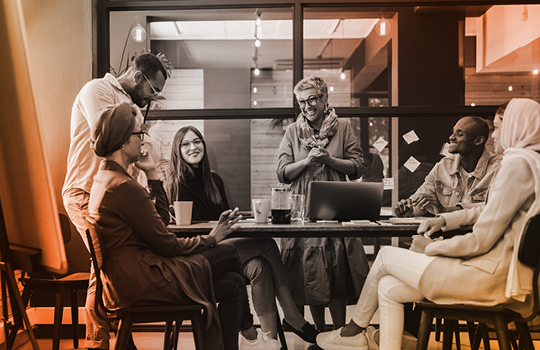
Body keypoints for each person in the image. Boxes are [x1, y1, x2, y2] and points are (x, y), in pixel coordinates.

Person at [316, 98, 540, 350]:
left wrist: (429, 248)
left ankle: (353, 332)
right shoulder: (531, 162)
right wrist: (444, 219)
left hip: (488, 276)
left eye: (499, 127)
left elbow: (481, 240)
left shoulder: (514, 164)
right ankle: (370, 339)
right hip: (496, 271)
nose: (495, 136)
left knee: (386, 256)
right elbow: (485, 210)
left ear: (517, 126)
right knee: (388, 287)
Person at [87, 102, 268, 350]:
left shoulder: (106, 179)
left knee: (234, 283)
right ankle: (248, 330)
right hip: (145, 281)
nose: (144, 139)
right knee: (228, 252)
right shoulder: (123, 187)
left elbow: (159, 224)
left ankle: (239, 338)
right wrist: (213, 238)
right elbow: (168, 244)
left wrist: (152, 175)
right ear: (122, 141)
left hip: (128, 280)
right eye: (140, 133)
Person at [165, 126, 319, 347]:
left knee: (259, 267)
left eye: (197, 141)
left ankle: (269, 341)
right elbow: (192, 233)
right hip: (203, 253)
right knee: (266, 245)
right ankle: (293, 316)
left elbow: (226, 222)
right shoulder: (178, 182)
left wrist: (235, 221)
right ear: (177, 150)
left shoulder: (214, 180)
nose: (193, 147)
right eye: (186, 144)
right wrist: (218, 231)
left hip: (224, 248)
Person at [62, 53, 171, 350]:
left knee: (115, 262)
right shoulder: (97, 90)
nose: (153, 98)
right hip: (85, 192)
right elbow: (109, 137)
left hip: (112, 196)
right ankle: (98, 345)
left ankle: (121, 341)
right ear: (138, 77)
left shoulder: (131, 104)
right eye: (153, 90)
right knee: (105, 262)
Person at [275, 75, 369, 332]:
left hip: (336, 205)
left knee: (336, 268)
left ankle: (338, 333)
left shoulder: (344, 127)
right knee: (310, 271)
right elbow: (281, 172)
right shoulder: (293, 131)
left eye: (312, 99)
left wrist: (329, 160)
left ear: (324, 98)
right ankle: (318, 335)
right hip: (303, 209)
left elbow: (357, 166)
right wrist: (305, 162)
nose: (306, 106)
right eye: (301, 102)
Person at [394, 116, 501, 218]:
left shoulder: (498, 168)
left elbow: (493, 210)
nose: (451, 137)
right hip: (445, 236)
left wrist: (445, 210)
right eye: (453, 132)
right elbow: (419, 200)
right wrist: (408, 209)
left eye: (459, 134)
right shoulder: (443, 165)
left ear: (478, 141)